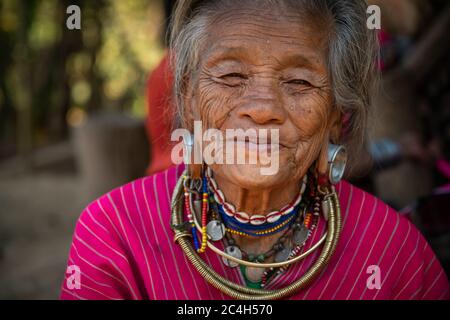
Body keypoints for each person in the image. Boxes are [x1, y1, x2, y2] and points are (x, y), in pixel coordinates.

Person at [60, 0, 449, 300]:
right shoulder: (116, 234)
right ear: (188, 99)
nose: (262, 109)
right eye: (231, 75)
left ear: (335, 116)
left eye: (298, 81)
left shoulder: (394, 251)